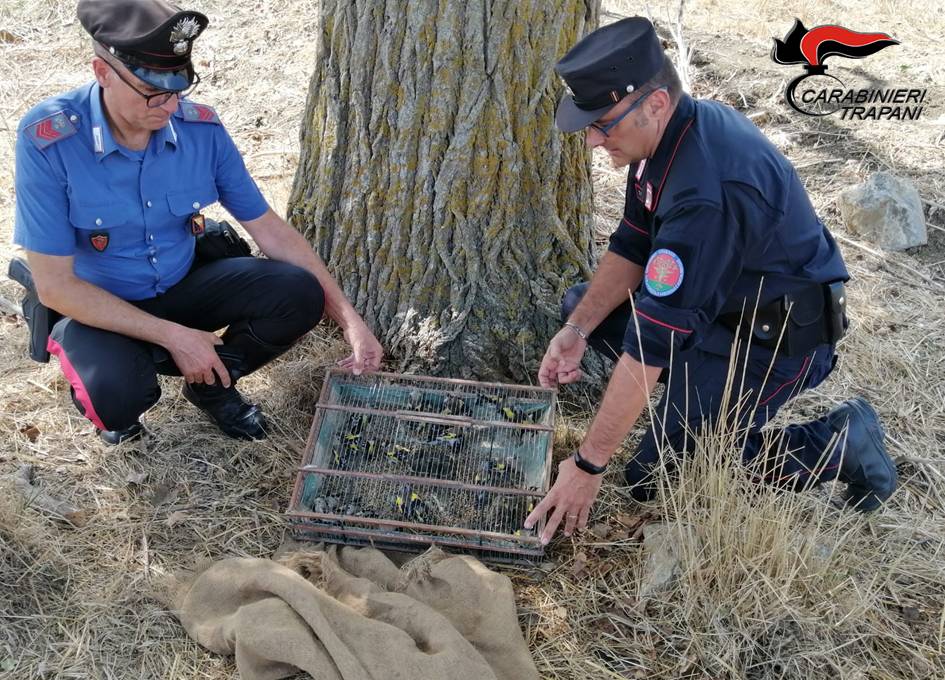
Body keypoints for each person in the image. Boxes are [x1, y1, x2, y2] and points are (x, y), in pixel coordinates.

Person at [524, 17, 897, 544]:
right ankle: (694, 400)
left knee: (655, 477)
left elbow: (651, 342)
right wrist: (579, 330)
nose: (591, 140)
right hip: (721, 314)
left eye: (601, 123)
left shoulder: (706, 193)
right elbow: (633, 241)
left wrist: (587, 466)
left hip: (776, 343)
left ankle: (839, 443)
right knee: (583, 304)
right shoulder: (668, 137)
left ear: (653, 103)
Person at [12, 0, 383, 444]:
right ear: (103, 72)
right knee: (114, 397)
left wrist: (349, 321)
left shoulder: (201, 130)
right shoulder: (51, 141)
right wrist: (175, 338)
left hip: (180, 284)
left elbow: (269, 228)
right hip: (98, 305)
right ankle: (122, 394)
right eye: (152, 91)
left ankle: (211, 387)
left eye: (178, 87)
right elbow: (57, 286)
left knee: (298, 292)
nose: (168, 105)